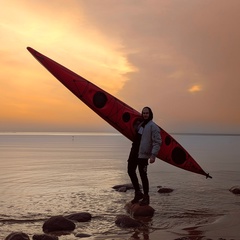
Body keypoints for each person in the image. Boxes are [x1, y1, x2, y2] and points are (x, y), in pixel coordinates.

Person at [127, 107, 162, 206]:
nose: (145, 114)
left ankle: (146, 197)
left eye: (147, 113)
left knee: (143, 175)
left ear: (150, 114)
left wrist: (153, 155)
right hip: (134, 151)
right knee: (130, 170)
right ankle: (138, 193)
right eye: (143, 113)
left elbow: (158, 142)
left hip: (143, 154)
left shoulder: (153, 126)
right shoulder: (141, 124)